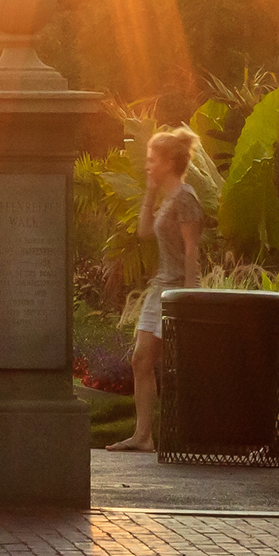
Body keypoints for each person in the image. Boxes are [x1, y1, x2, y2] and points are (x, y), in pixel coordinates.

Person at [112, 124, 210, 454]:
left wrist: (189, 297)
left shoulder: (186, 198)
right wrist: (150, 192)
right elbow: (142, 232)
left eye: (153, 159)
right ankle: (143, 436)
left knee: (176, 364)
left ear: (169, 162)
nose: (147, 164)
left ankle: (194, 434)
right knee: (141, 360)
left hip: (177, 290)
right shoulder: (168, 198)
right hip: (159, 288)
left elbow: (192, 249)